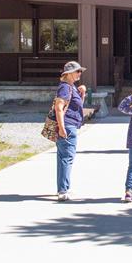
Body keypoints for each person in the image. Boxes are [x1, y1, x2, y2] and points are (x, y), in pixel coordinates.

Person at [55, 61, 86, 201]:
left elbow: (77, 107)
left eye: (80, 71)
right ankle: (63, 190)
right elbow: (59, 108)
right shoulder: (65, 88)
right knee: (67, 158)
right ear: (68, 74)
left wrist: (82, 94)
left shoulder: (71, 87)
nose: (80, 73)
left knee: (63, 157)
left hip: (69, 125)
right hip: (68, 126)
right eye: (77, 71)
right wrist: (61, 128)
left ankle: (62, 187)